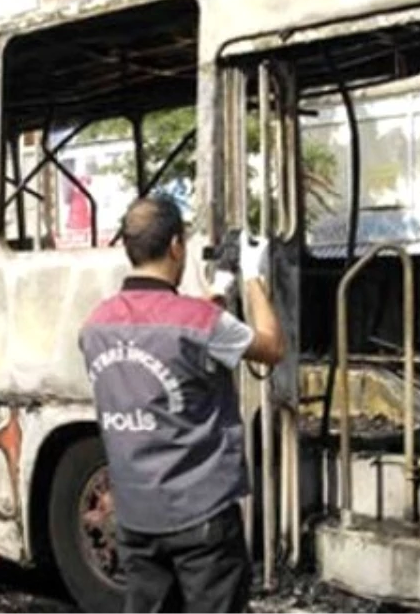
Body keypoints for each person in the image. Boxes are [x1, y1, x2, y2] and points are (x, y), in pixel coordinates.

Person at [79, 196, 285, 614]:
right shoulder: (200, 323)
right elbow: (272, 347)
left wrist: (216, 299)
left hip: (135, 514)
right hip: (201, 515)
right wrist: (252, 279)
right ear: (176, 246)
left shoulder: (95, 324)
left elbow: (161, 349)